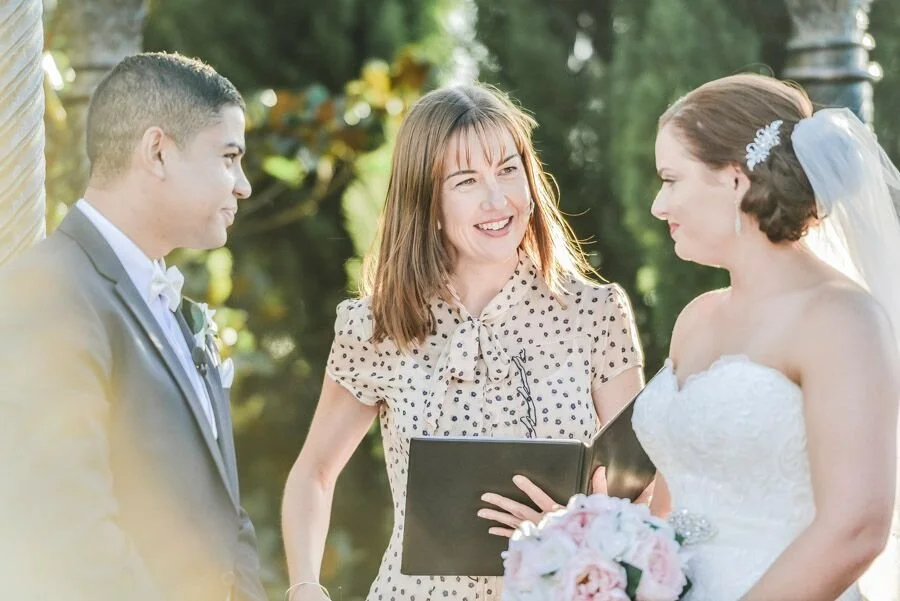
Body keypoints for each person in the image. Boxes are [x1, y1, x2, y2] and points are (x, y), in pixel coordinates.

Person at [281, 83, 645, 601]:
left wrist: (578, 527)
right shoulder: (376, 326)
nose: (497, 200)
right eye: (467, 180)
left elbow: (644, 493)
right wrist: (304, 586)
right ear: (427, 202)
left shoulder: (595, 313)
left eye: (507, 170)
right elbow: (314, 473)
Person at [0, 52, 266, 601]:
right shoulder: (47, 293)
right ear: (158, 151)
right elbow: (68, 529)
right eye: (229, 157)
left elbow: (226, 517)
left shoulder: (174, 308)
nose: (242, 185)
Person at [634, 73, 900, 601]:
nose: (658, 206)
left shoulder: (840, 320)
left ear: (735, 181)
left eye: (671, 179)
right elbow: (677, 496)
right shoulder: (696, 318)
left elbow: (857, 528)